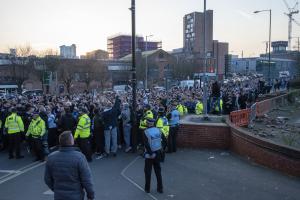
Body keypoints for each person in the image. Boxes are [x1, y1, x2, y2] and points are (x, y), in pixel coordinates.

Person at [44, 131, 95, 200]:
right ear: (72, 142)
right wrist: (90, 196)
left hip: (59, 196)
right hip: (76, 196)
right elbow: (87, 180)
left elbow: (47, 179)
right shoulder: (79, 157)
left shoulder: (51, 157)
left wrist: (56, 189)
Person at [143, 118, 163, 194]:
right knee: (158, 172)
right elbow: (164, 141)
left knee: (148, 172)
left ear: (148, 123)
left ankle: (147, 189)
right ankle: (160, 188)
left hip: (149, 155)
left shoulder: (146, 132)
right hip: (158, 153)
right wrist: (161, 150)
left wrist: (151, 154)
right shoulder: (158, 130)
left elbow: (146, 145)